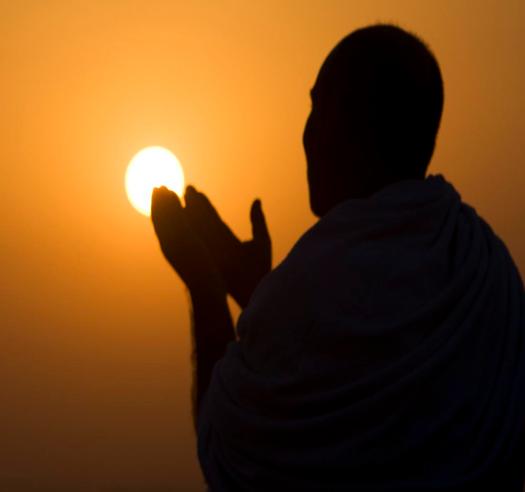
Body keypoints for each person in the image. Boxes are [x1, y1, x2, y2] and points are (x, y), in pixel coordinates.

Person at [151, 24, 525, 491]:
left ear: (355, 128)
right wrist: (257, 293)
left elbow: (228, 453)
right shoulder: (487, 268)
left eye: (319, 109)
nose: (306, 134)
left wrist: (205, 287)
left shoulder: (309, 285)